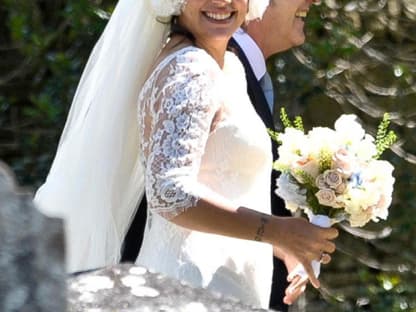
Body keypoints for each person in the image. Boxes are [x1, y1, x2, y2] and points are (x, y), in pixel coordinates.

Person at [34, 0, 338, 309]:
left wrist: (281, 244)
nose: (221, 2)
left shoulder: (227, 65)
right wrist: (277, 230)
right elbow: (169, 193)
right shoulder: (189, 68)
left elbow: (221, 185)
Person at [230, 0, 321, 310]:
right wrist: (279, 235)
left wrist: (286, 247)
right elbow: (178, 195)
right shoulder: (220, 67)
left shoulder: (244, 67)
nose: (315, 1)